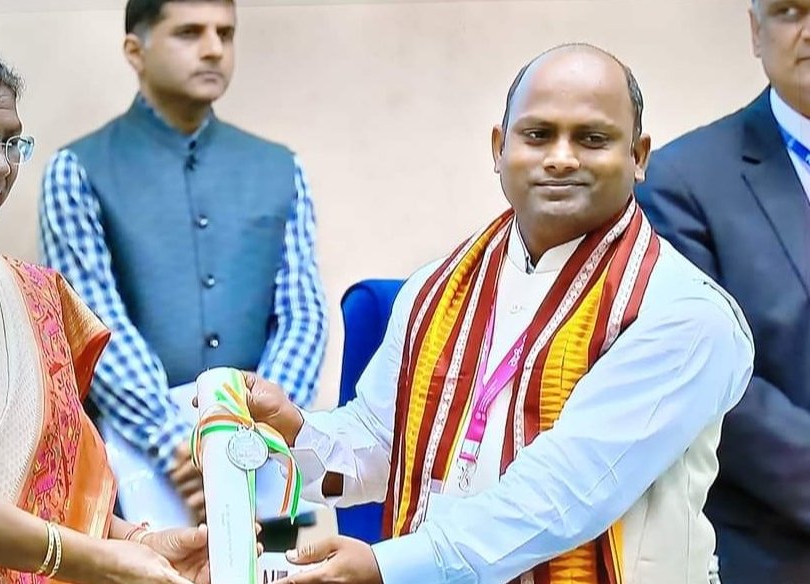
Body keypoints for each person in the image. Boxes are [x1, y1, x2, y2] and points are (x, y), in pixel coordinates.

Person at [241, 44, 755, 584]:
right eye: (538, 135)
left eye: (592, 139)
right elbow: (381, 438)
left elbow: (562, 496)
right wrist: (294, 430)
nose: (561, 158)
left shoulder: (683, 315)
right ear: (499, 148)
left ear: (639, 155)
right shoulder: (435, 289)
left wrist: (385, 566)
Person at [0, 47, 211, 584]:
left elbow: (53, 484)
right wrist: (88, 560)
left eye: (12, 143)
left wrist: (136, 543)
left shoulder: (33, 294)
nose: (0, 164)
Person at [38, 0, 327, 544]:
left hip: (262, 461)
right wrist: (185, 445)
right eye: (190, 32)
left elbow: (303, 314)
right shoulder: (77, 170)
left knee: (274, 575)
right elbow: (94, 323)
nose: (214, 49)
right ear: (135, 50)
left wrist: (257, 430)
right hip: (140, 463)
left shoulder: (280, 167)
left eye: (226, 33)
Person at [635, 1, 810, 581]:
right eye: (790, 10)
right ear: (757, 32)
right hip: (774, 550)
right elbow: (710, 380)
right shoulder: (682, 184)